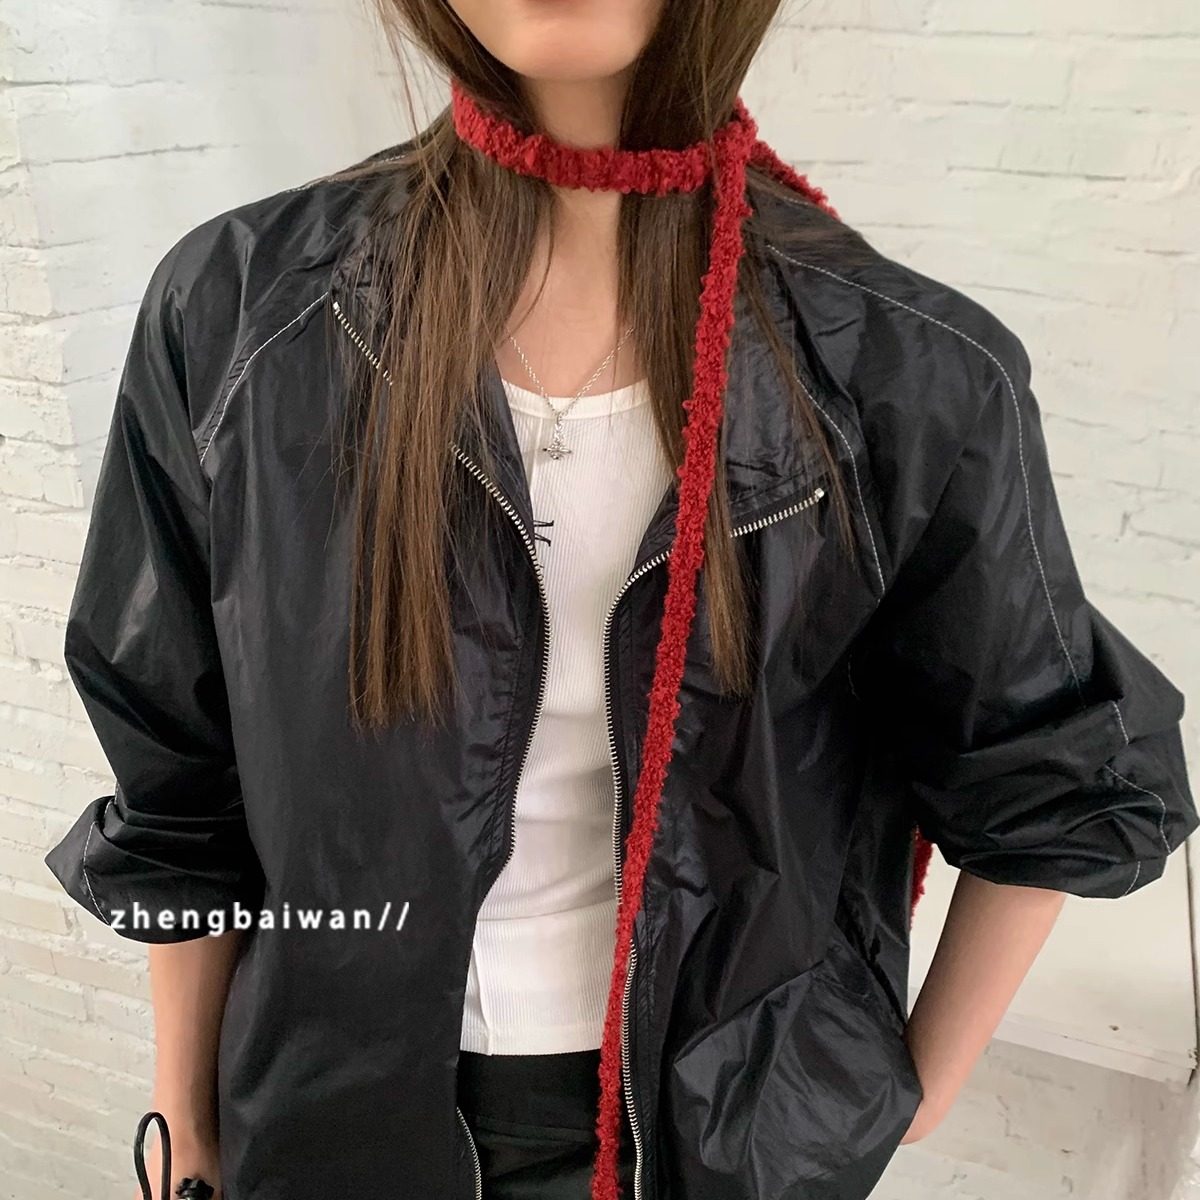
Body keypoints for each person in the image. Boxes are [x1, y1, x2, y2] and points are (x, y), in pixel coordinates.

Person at [43, 2, 1196, 1199]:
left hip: (716, 1148)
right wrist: (185, 1116)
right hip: (326, 1121)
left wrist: (902, 1093)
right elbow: (181, 777)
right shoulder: (239, 315)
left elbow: (1060, 771)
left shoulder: (906, 372)